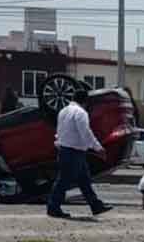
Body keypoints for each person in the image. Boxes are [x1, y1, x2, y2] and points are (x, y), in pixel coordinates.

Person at [47, 90, 113, 219]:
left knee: (84, 180)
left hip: (66, 150)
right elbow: (85, 132)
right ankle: (53, 207)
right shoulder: (81, 113)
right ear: (85, 101)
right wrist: (98, 148)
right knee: (63, 181)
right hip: (74, 151)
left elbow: (59, 131)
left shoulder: (63, 111)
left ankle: (95, 205)